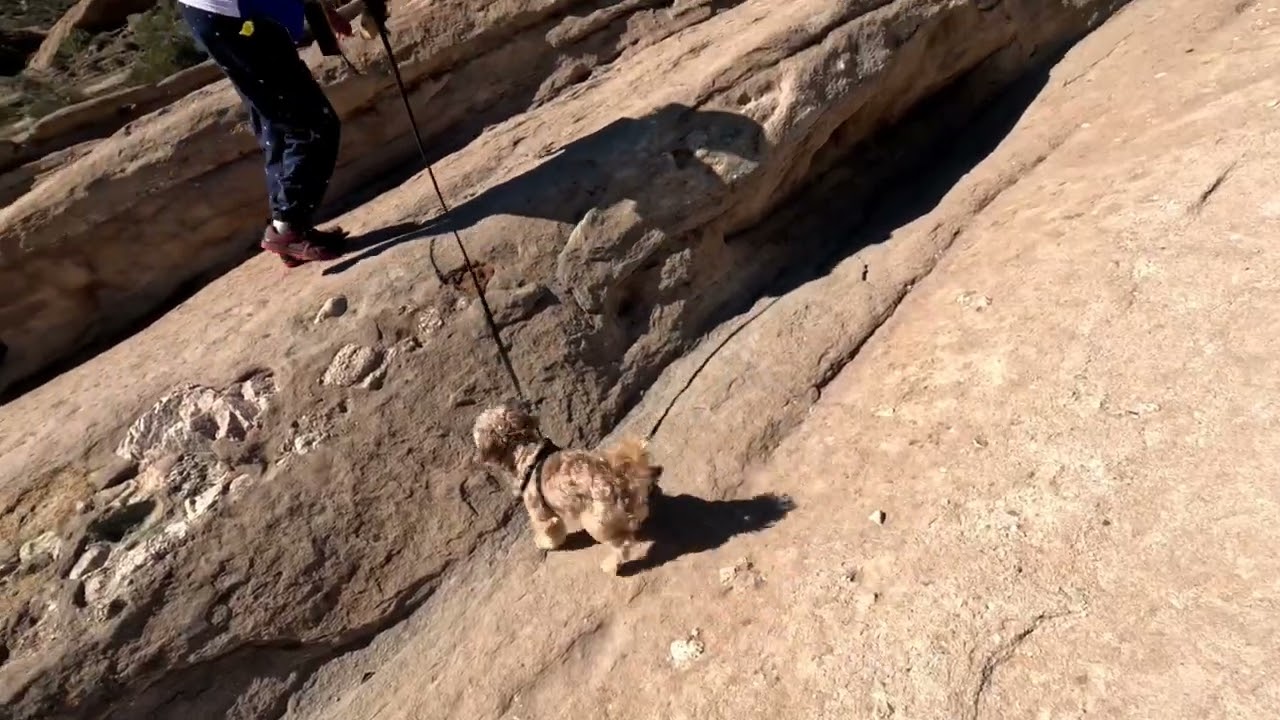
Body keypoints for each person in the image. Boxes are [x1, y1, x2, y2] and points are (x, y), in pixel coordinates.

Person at [177, 0, 353, 264]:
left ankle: (288, 230)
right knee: (311, 123)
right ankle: (288, 229)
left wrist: (323, 13)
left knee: (276, 119)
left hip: (213, 14)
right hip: (236, 15)